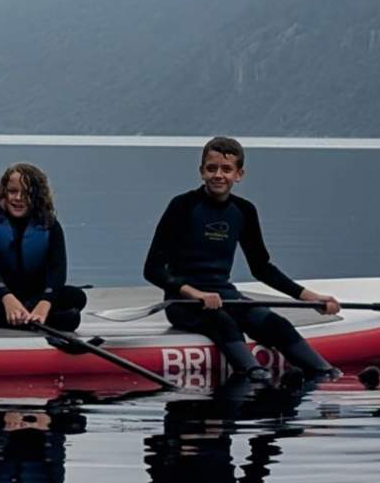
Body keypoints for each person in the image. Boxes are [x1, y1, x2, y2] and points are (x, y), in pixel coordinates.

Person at [141, 135, 342, 384]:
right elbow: (152, 270)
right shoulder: (182, 206)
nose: (218, 175)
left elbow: (262, 268)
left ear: (239, 174)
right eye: (212, 168)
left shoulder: (244, 211)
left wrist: (311, 299)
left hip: (227, 296)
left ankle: (328, 374)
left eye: (226, 169)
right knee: (222, 321)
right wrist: (195, 294)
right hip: (184, 303)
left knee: (276, 324)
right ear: (201, 171)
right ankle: (255, 376)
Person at [0, 162, 87, 331]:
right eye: (12, 191)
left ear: (38, 196)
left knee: (77, 297)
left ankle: (12, 318)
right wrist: (7, 298)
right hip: (2, 295)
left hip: (37, 297)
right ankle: (35, 321)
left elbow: (58, 271)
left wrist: (44, 303)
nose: (18, 198)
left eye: (26, 193)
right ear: (4, 192)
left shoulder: (51, 226)